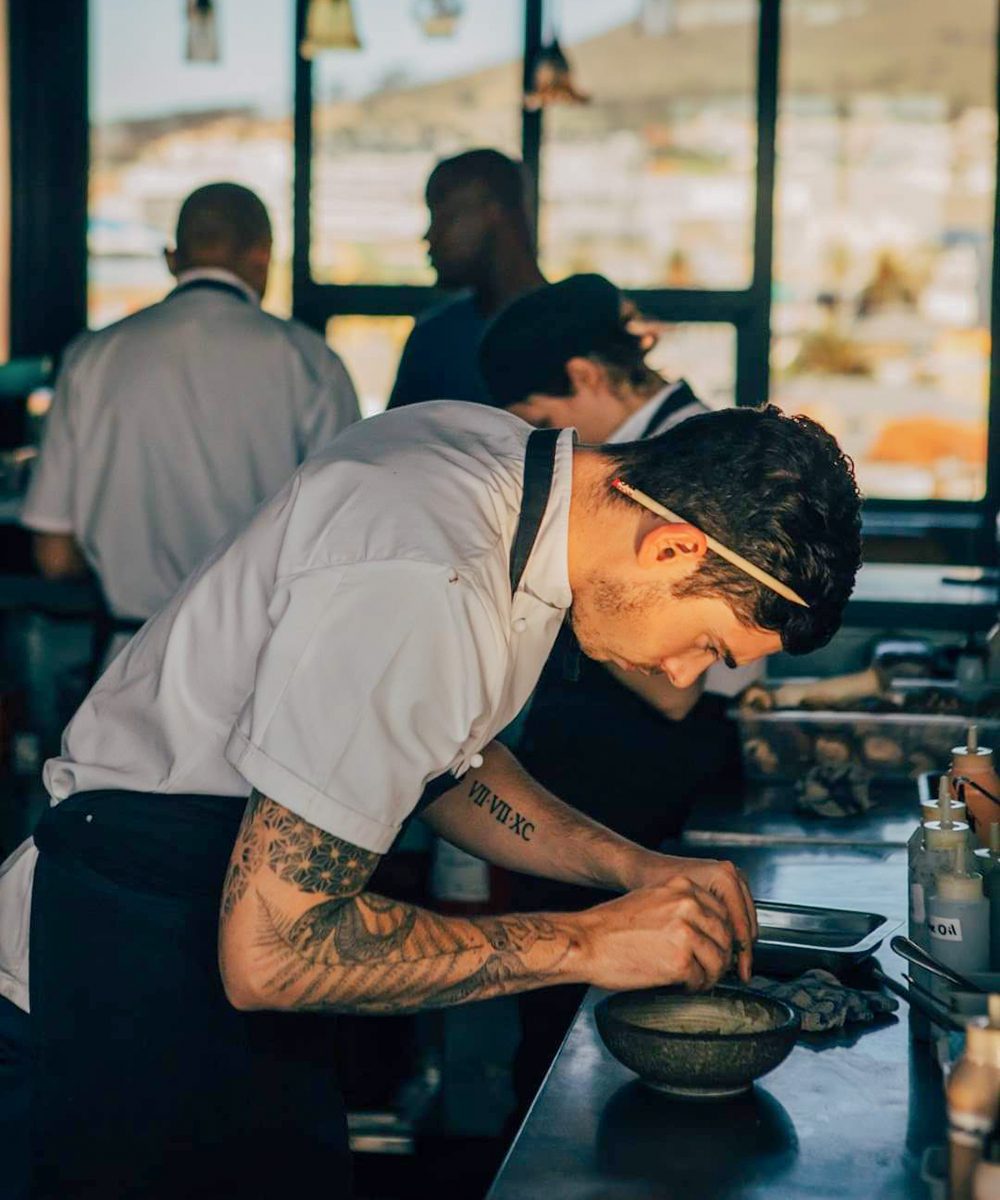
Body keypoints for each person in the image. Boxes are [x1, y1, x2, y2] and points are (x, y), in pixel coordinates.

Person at [0, 398, 861, 1197]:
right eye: (708, 643)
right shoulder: (424, 570)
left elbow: (442, 757)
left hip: (217, 927)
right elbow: (271, 953)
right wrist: (590, 943)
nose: (683, 676)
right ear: (672, 546)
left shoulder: (499, 467)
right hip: (130, 940)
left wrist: (631, 868)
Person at [477, 273, 768, 1116]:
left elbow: (681, 693)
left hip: (647, 773)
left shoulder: (682, 461)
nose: (542, 443)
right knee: (563, 1029)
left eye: (539, 418)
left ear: (588, 376)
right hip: (588, 775)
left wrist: (546, 574)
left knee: (606, 1030)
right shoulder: (657, 448)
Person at [21, 181, 360, 663]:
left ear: (172, 258)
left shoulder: (91, 357)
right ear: (262, 257)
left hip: (127, 656)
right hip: (253, 664)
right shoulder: (310, 362)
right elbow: (341, 541)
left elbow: (54, 556)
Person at [386, 148, 546, 409]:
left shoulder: (582, 334)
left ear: (494, 213)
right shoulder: (432, 339)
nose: (429, 236)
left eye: (445, 217)